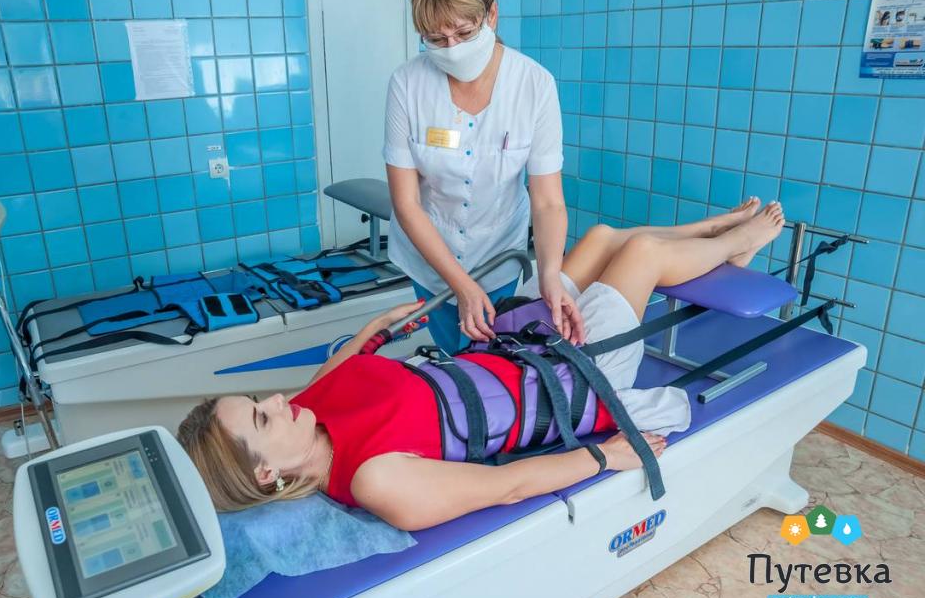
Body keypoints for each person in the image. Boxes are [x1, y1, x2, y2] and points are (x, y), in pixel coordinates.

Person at [179, 200, 785, 531]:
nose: (277, 401)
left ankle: (706, 233)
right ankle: (734, 243)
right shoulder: (373, 481)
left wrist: (381, 324)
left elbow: (352, 355)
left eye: (258, 401)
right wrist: (606, 456)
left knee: (601, 235)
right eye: (262, 418)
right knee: (642, 254)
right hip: (573, 379)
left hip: (510, 346)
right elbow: (506, 486)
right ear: (268, 475)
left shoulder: (307, 408)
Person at [383, 0, 584, 353]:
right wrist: (460, 285)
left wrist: (550, 274)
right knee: (451, 356)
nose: (452, 49)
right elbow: (406, 203)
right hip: (430, 255)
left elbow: (547, 201)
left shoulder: (534, 85)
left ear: (491, 14)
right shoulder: (407, 84)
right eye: (436, 39)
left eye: (463, 32)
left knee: (489, 357)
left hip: (498, 255)